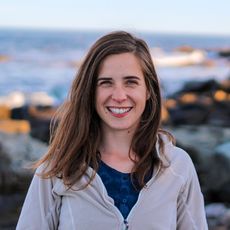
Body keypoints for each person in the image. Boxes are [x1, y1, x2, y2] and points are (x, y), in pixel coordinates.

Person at [16, 31, 208, 230]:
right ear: (90, 91)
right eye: (106, 83)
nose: (119, 96)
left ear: (148, 90)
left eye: (131, 82)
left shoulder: (178, 166)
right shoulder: (56, 169)